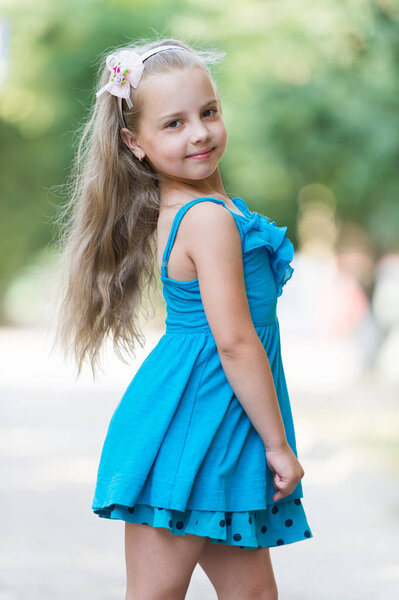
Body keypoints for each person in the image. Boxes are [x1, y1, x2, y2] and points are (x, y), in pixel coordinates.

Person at [53, 36, 313, 600]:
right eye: (173, 124)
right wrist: (278, 445)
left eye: (209, 112)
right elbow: (236, 343)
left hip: (222, 428)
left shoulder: (206, 210)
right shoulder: (206, 219)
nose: (199, 132)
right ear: (134, 142)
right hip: (192, 429)